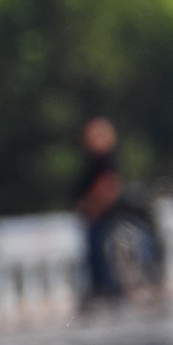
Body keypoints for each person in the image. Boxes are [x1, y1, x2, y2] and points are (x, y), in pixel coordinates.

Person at [73, 117, 126, 302]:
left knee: (101, 254)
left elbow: (109, 187)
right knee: (95, 255)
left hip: (103, 216)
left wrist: (93, 207)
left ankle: (108, 291)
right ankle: (101, 290)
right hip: (96, 215)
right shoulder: (95, 160)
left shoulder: (106, 160)